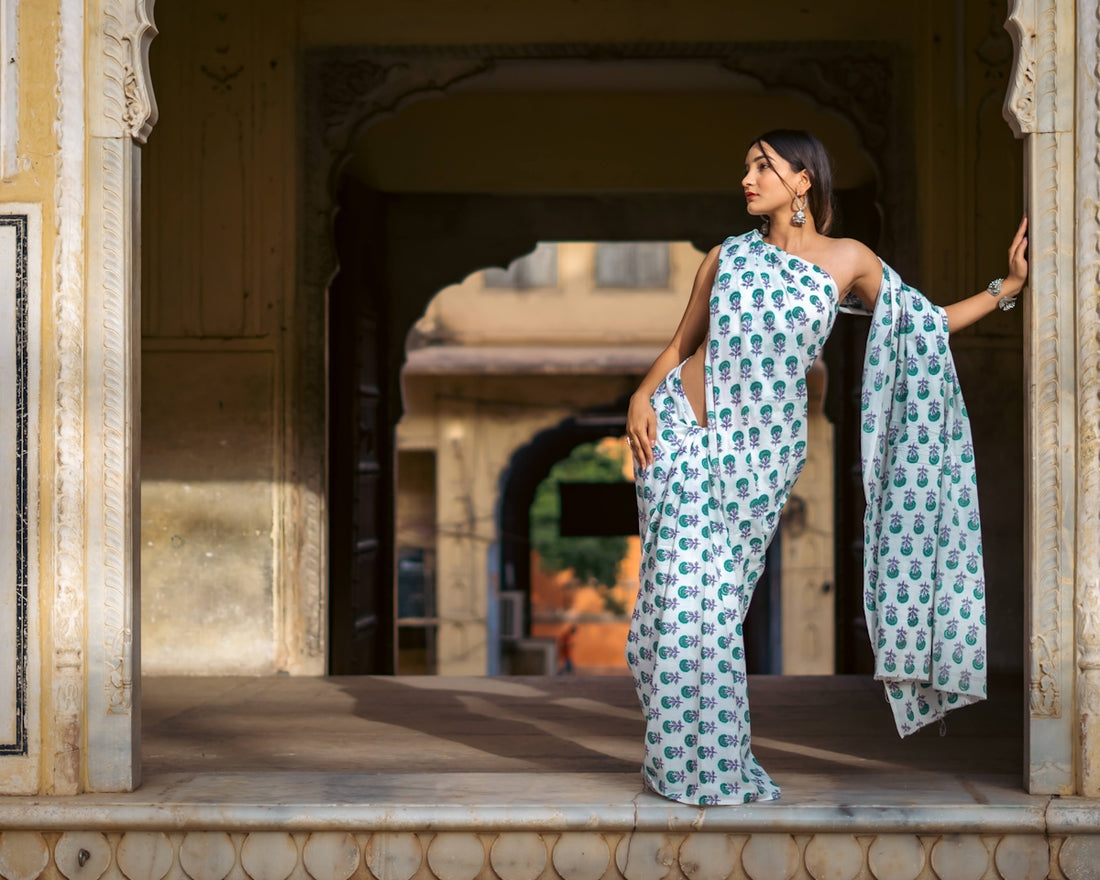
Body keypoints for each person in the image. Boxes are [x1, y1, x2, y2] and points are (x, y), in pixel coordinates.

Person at [623, 129, 1028, 806]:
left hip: (759, 461)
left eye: (763, 166)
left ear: (803, 181)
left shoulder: (848, 261)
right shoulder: (725, 258)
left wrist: (1006, 288)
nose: (748, 178)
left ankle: (707, 764)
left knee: (712, 610)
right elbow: (679, 344)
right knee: (671, 609)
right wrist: (640, 393)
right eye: (746, 166)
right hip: (676, 440)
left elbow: (923, 324)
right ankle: (683, 765)